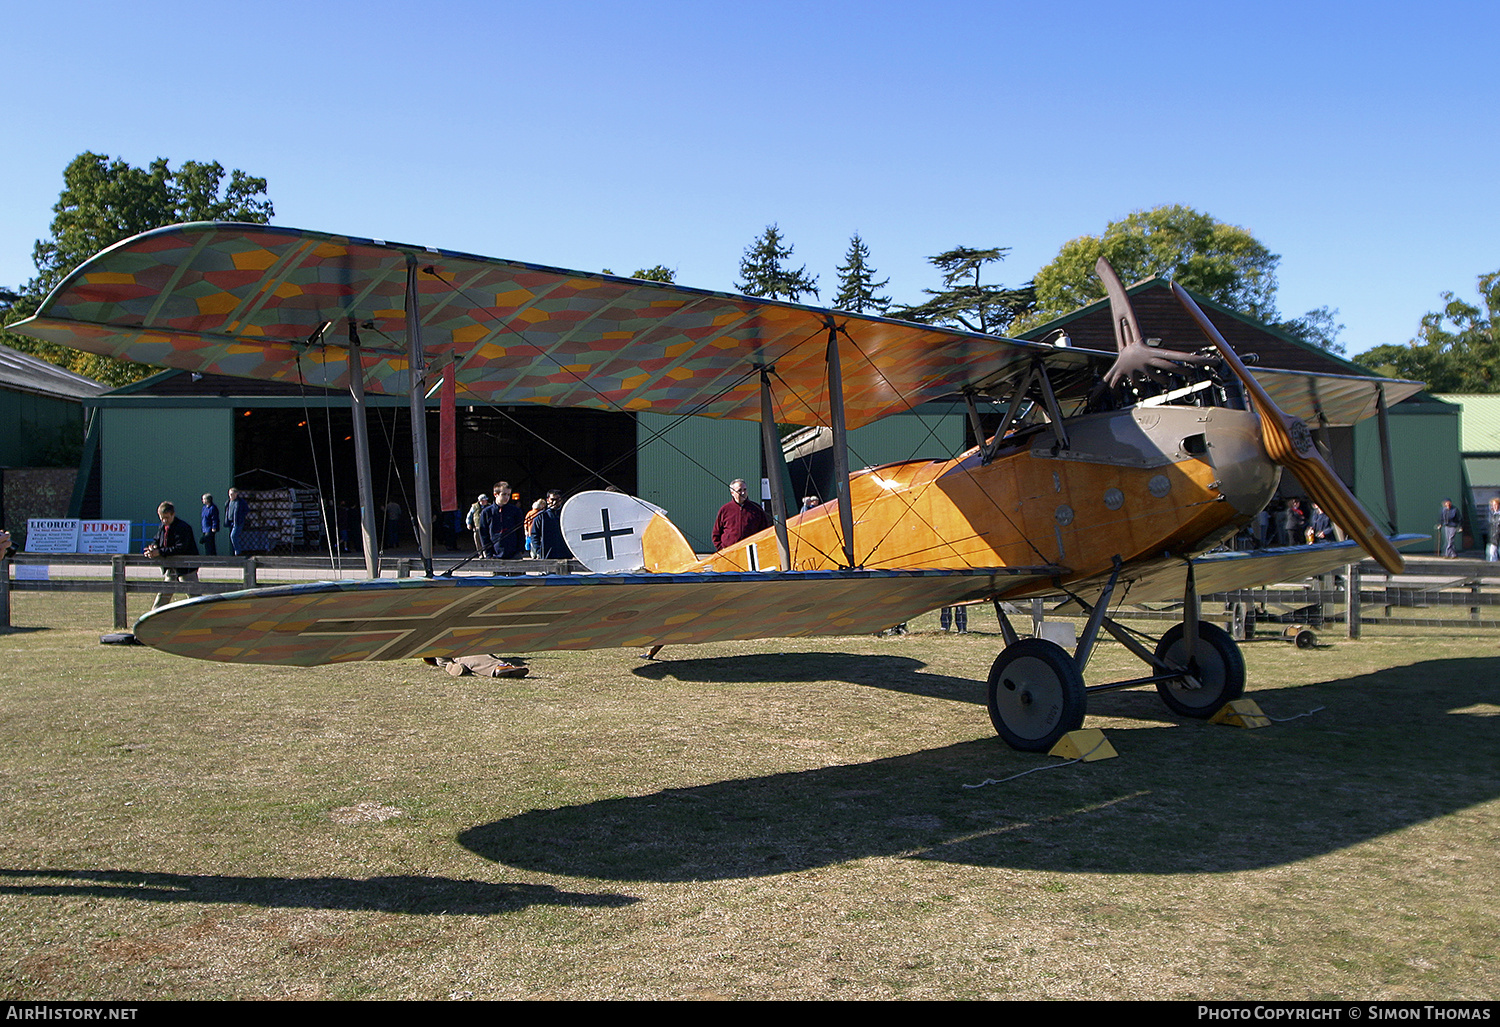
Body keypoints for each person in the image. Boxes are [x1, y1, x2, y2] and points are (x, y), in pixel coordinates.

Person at [145, 501, 199, 609]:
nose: (164, 520)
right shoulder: (162, 527)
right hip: (170, 566)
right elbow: (157, 539)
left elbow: (180, 548)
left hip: (185, 567)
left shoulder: (183, 527)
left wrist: (160, 552)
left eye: (167, 517)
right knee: (164, 592)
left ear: (173, 514)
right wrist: (154, 547)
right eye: (162, 518)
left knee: (193, 594)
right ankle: (155, 615)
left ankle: (201, 613)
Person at [712, 478, 770, 551]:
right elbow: (716, 533)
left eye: (744, 489)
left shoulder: (756, 509)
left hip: (751, 551)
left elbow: (764, 531)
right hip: (729, 552)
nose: (743, 493)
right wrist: (722, 549)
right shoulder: (725, 510)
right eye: (739, 490)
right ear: (732, 493)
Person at [528, 489, 573, 560]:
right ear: (547, 500)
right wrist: (539, 551)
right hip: (547, 556)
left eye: (558, 500)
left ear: (561, 500)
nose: (555, 502)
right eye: (552, 499)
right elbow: (534, 535)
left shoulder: (567, 515)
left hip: (565, 555)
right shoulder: (541, 516)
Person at [484, 481, 524, 560]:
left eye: (509, 494)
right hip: (495, 554)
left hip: (514, 553)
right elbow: (484, 535)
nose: (507, 497)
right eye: (504, 494)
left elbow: (520, 532)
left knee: (518, 573)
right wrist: (489, 554)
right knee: (498, 573)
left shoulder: (516, 511)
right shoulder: (487, 512)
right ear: (496, 494)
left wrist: (520, 550)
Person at [224, 488, 249, 555]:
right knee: (233, 537)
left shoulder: (240, 502)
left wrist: (241, 516)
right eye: (229, 494)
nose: (230, 496)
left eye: (232, 494)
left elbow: (246, 510)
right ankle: (234, 551)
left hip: (238, 522)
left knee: (233, 536)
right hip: (230, 522)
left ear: (236, 494)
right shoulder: (228, 502)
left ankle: (238, 552)